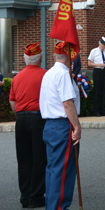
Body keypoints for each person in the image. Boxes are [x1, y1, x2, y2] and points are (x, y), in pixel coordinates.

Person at [40, 41, 82, 210]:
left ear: (54, 56)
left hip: (51, 125)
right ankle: (59, 207)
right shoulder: (63, 74)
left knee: (53, 169)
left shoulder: (49, 73)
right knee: (63, 171)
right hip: (63, 125)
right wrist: (77, 126)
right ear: (70, 58)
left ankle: (52, 205)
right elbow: (67, 103)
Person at [9, 43, 48, 208]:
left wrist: (19, 115)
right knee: (39, 157)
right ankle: (36, 197)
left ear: (25, 59)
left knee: (24, 159)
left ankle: (25, 196)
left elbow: (12, 101)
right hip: (38, 118)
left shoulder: (17, 78)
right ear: (40, 59)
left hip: (21, 119)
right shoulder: (45, 75)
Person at [87, 37, 105, 117]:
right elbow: (89, 63)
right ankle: (96, 111)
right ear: (99, 44)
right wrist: (97, 64)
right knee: (97, 91)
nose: (103, 48)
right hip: (98, 71)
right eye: (102, 46)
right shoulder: (94, 51)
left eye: (104, 47)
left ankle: (104, 110)